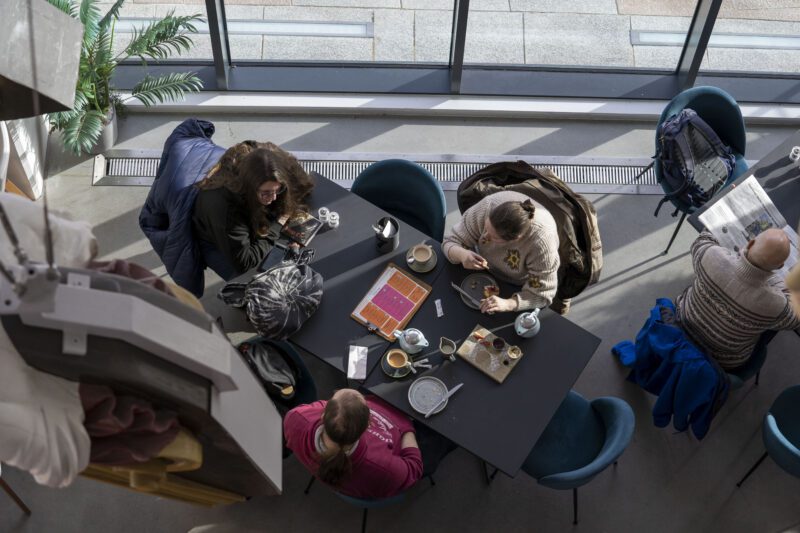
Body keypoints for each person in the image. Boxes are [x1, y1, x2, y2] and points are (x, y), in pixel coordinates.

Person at [284, 388, 453, 500]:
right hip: (403, 433)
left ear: (323, 415)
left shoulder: (296, 417)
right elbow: (414, 469)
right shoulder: (384, 469)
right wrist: (407, 429)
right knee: (444, 433)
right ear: (368, 425)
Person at [676, 229, 800, 370]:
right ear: (780, 267)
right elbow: (794, 318)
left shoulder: (712, 255)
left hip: (680, 324)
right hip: (720, 361)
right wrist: (771, 276)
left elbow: (703, 238)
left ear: (751, 242)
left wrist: (740, 254)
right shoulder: (776, 305)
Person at [192, 141, 313, 279]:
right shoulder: (226, 208)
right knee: (251, 283)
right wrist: (277, 224)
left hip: (245, 216)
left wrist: (281, 198)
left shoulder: (268, 159)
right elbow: (245, 261)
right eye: (266, 192)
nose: (273, 198)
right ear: (249, 187)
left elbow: (304, 184)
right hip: (214, 238)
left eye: (278, 189)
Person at [442, 191, 560, 314]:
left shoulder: (542, 245)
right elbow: (450, 241)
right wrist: (462, 254)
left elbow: (542, 294)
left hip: (515, 284)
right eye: (486, 228)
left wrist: (509, 304)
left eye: (493, 237)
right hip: (475, 266)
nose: (484, 237)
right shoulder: (488, 206)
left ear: (515, 240)